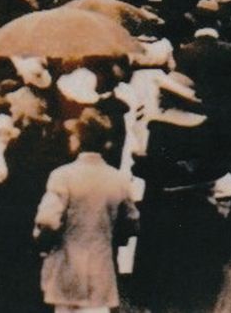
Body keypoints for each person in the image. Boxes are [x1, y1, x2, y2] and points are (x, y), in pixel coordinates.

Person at [34, 110, 139, 313]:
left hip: (67, 268)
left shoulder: (62, 176)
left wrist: (44, 245)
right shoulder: (118, 179)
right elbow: (132, 222)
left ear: (79, 140)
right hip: (101, 268)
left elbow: (47, 219)